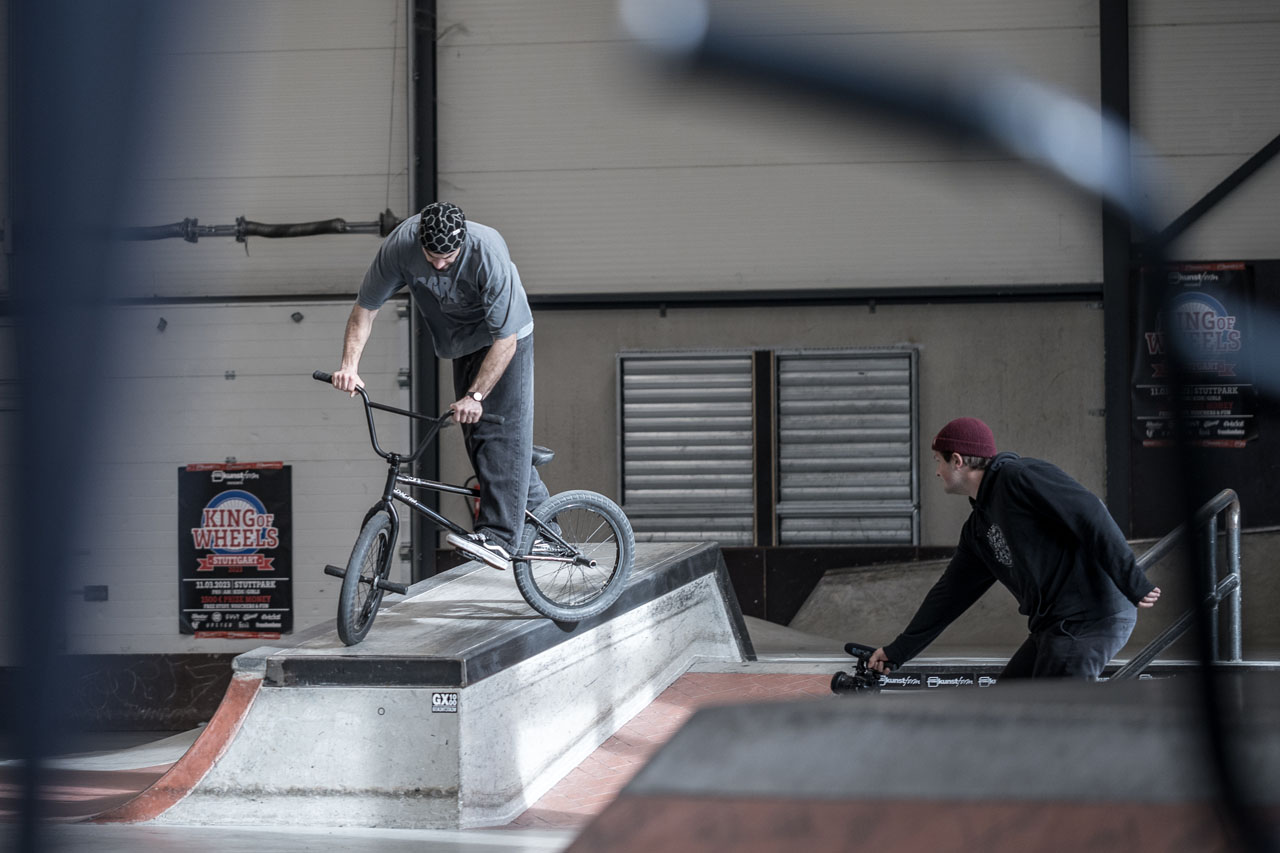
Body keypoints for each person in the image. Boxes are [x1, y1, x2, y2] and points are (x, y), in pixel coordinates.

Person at [330, 201, 548, 570]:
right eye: (432, 257)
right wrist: (348, 367)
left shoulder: (487, 251)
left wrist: (477, 396)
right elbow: (365, 309)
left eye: (448, 258)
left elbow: (505, 340)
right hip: (461, 343)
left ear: (462, 243)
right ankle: (545, 529)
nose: (440, 265)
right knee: (480, 442)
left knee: (497, 436)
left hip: (506, 340)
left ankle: (498, 538)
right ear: (420, 241)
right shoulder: (400, 247)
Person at [869, 417, 1161, 680]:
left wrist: (1130, 578)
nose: (937, 472)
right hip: (1053, 625)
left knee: (1054, 720)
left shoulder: (1019, 476)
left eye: (938, 461)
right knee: (1007, 707)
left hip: (1089, 617)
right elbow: (949, 595)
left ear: (957, 460)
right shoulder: (977, 530)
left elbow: (1090, 512)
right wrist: (899, 650)